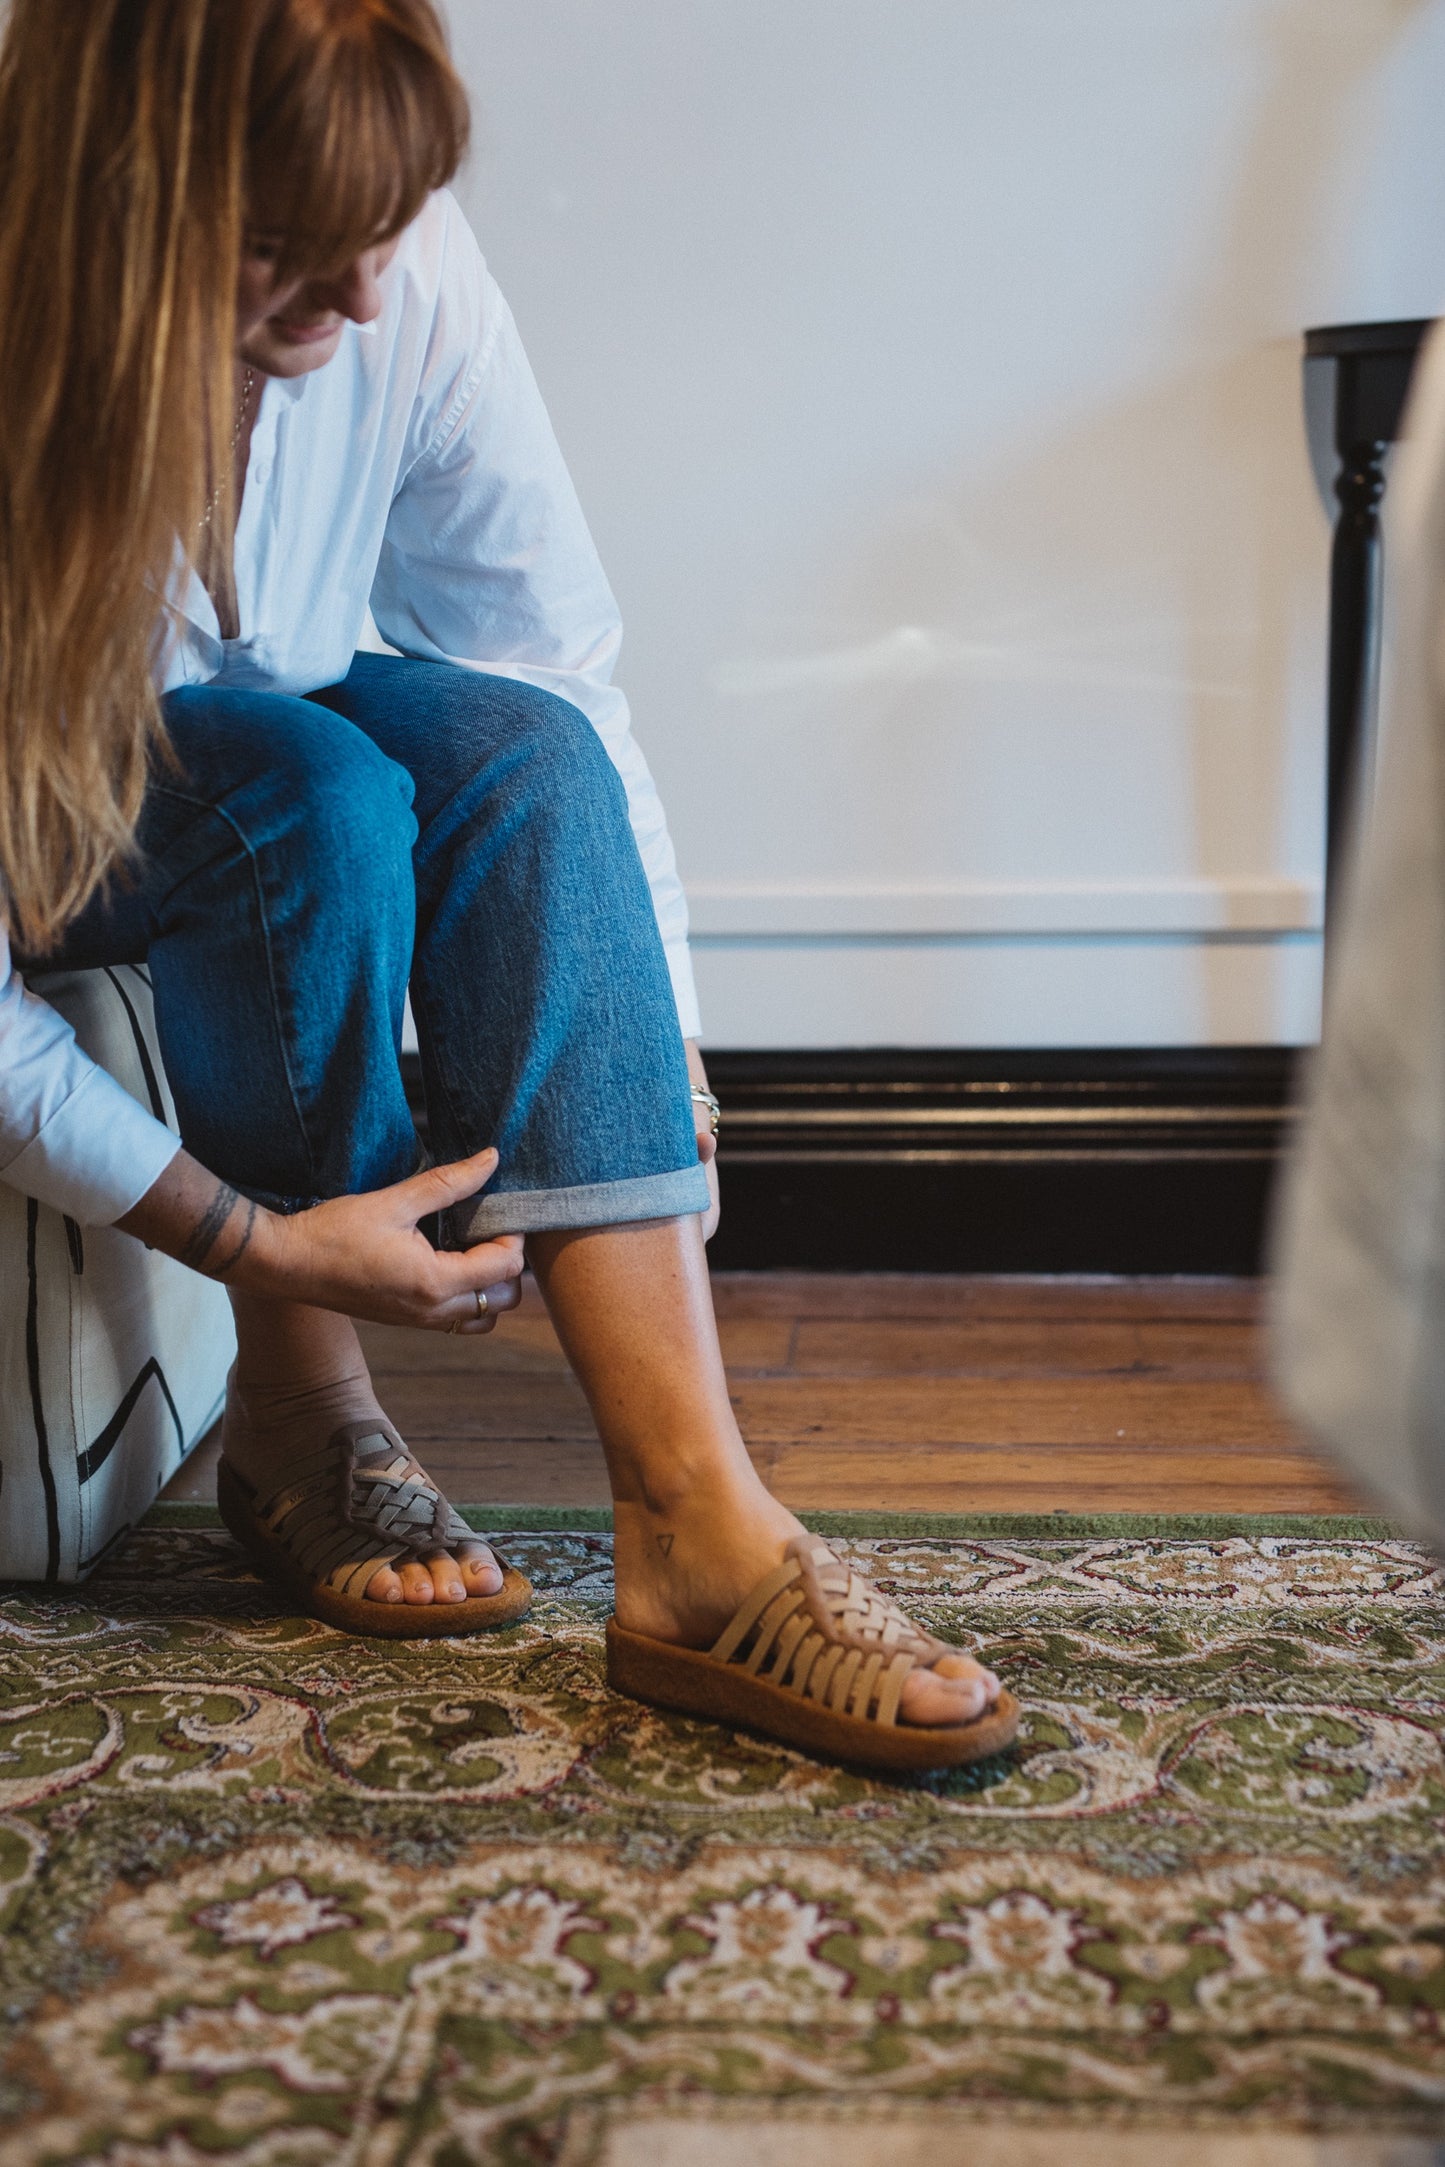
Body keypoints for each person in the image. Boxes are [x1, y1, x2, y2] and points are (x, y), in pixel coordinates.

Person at [0, 0, 1016, 1772]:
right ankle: (301, 1407)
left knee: (515, 743)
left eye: (379, 235)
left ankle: (696, 1526)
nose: (364, 305)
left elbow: (563, 679)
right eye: (280, 256)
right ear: (110, 207)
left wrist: (668, 1069)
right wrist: (235, 1234)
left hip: (241, 745)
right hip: (49, 817)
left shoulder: (404, 278)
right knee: (299, 789)